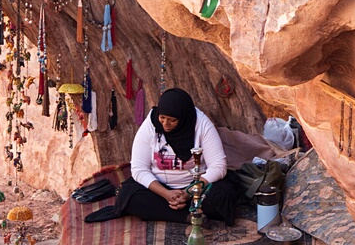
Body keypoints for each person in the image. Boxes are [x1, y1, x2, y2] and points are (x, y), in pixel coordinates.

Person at [85, 87, 240, 225]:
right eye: (162, 118)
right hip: (160, 190)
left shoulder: (201, 124)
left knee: (224, 195)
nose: (165, 124)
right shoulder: (151, 125)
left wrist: (188, 192)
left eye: (172, 120)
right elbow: (139, 168)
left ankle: (179, 210)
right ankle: (187, 217)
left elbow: (218, 166)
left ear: (183, 118)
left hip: (196, 188)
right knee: (129, 197)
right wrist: (166, 194)